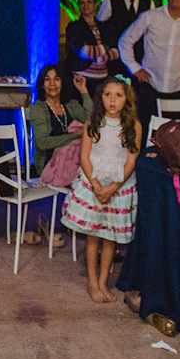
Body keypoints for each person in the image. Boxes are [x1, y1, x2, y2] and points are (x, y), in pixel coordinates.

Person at [60, 76, 141, 303]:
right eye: (108, 95)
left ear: (126, 99)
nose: (112, 100)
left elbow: (131, 159)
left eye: (118, 95)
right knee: (94, 234)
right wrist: (96, 186)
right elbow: (84, 157)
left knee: (110, 236)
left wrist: (113, 188)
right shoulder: (93, 123)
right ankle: (92, 282)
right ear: (101, 97)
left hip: (118, 186)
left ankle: (104, 282)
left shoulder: (133, 125)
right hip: (93, 183)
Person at [28, 64, 92, 245]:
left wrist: (84, 91)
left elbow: (91, 120)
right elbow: (43, 143)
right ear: (41, 84)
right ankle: (88, 223)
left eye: (56, 78)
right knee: (92, 175)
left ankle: (89, 224)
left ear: (62, 82)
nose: (52, 84)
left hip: (75, 159)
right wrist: (75, 135)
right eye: (47, 79)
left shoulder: (70, 105)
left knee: (96, 170)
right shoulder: (38, 108)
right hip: (49, 162)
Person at [97, 0, 151, 78]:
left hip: (140, 61)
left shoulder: (148, 4)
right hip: (116, 60)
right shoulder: (111, 0)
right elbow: (100, 26)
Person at [66, 0, 110, 84]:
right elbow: (83, 52)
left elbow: (115, 50)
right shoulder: (74, 26)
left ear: (95, 5)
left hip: (103, 78)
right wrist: (104, 49)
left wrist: (93, 51)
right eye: (82, 2)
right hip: (82, 78)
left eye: (89, 2)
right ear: (79, 6)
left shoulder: (104, 26)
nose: (86, 5)